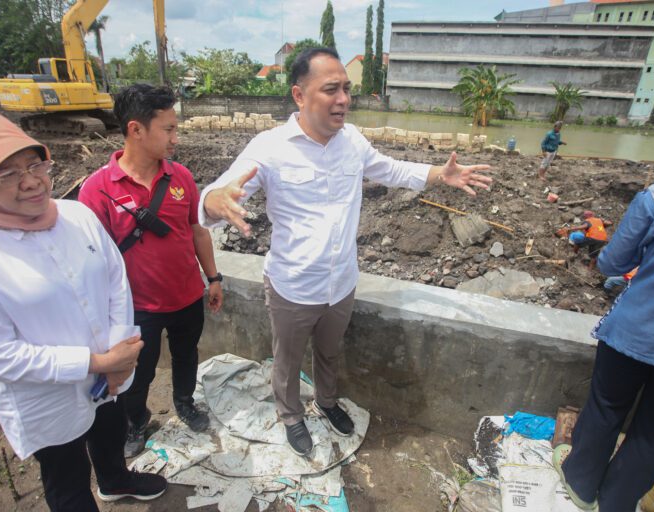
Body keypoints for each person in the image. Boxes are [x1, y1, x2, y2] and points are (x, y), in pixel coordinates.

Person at [198, 47, 492, 456]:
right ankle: (290, 415)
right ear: (299, 95)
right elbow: (218, 193)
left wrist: (438, 174)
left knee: (329, 352)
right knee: (287, 360)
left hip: (342, 283)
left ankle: (327, 401)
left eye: (347, 89)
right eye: (331, 89)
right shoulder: (269, 147)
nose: (343, 99)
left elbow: (389, 168)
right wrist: (215, 200)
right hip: (293, 287)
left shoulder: (351, 140)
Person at [0, 111, 167, 510]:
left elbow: (115, 280)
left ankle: (115, 480)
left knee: (110, 432)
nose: (32, 181)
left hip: (111, 370)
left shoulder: (75, 216)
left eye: (36, 164)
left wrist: (119, 354)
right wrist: (96, 363)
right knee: (66, 476)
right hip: (48, 396)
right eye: (7, 174)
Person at [553, 117, 654, 511]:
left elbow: (612, 263)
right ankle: (616, 502)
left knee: (606, 408)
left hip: (634, 332)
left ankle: (581, 485)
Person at [79, 84, 223, 458]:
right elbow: (93, 261)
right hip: (136, 308)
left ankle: (185, 402)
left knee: (186, 355)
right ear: (136, 130)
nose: (176, 138)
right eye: (168, 129)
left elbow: (196, 231)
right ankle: (137, 420)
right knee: (138, 372)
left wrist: (213, 278)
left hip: (187, 296)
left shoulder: (182, 178)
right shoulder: (98, 190)